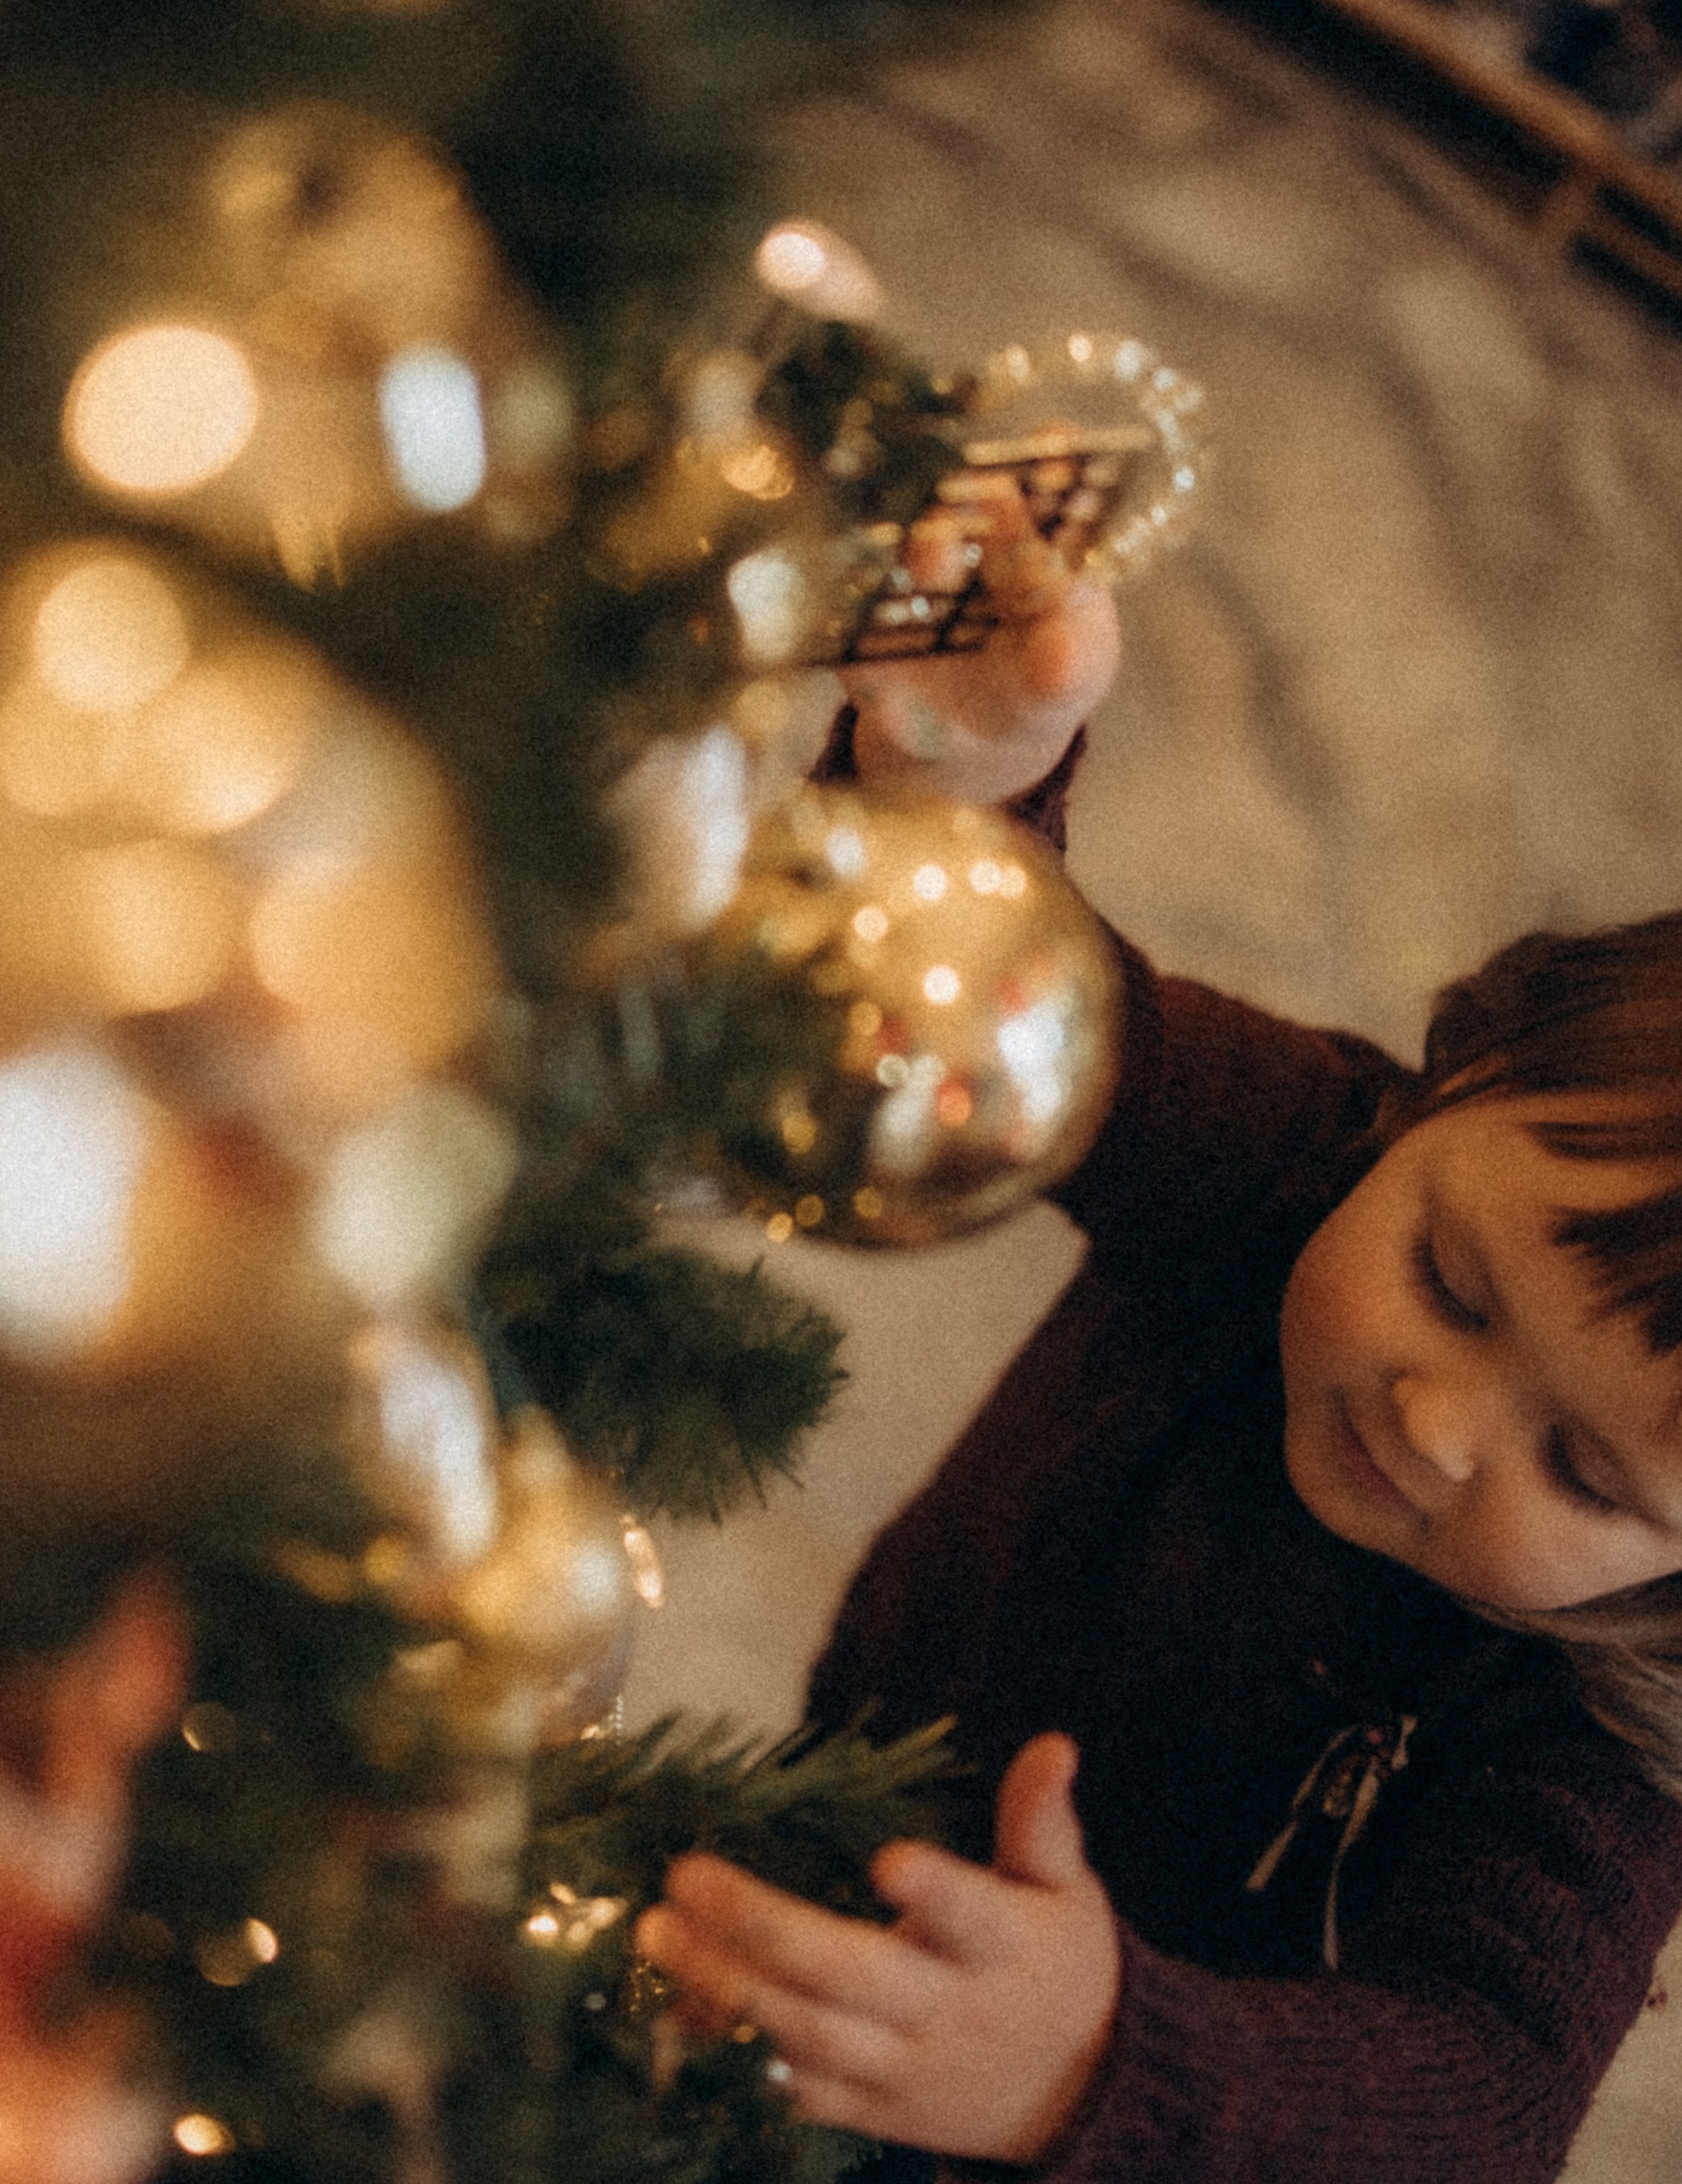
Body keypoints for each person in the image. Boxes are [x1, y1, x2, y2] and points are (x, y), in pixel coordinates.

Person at [636, 555, 1682, 2181]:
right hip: (869, 1782)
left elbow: (1485, 2098)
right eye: (1452, 1283)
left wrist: (1095, 2065)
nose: (1436, 1421)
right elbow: (1035, 1022)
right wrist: (957, 776)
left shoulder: (1616, 1732)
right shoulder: (1308, 1157)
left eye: (1586, 1473)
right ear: (1460, 1073)